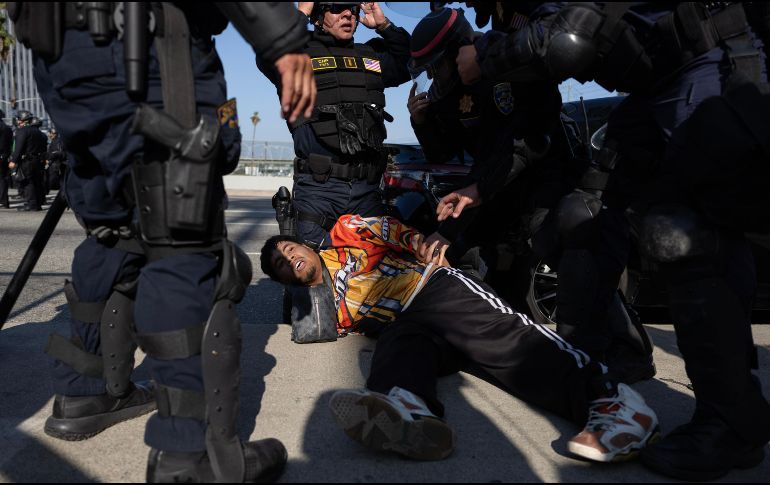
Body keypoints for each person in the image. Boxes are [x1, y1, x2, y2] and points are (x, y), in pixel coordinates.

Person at [441, 2, 770, 480]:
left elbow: (567, 40)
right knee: (585, 216)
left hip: (710, 65)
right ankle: (611, 356)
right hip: (659, 84)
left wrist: (484, 57)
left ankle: (732, 423)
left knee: (687, 235)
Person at [9, 2, 316, 482]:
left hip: (63, 59)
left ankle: (84, 392)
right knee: (186, 245)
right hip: (150, 45)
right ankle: (189, 455)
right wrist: (283, 38)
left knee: (112, 231)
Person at [260, 213, 659, 463]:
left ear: (305, 246)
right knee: (395, 348)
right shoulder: (324, 312)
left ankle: (613, 402)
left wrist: (422, 246)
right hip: (407, 323)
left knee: (506, 343)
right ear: (284, 280)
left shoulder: (344, 233)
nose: (289, 258)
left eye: (289, 248)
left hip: (432, 288)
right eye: (280, 264)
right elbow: (318, 330)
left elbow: (389, 230)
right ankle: (409, 410)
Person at [259, 1, 412, 248]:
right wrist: (302, 13)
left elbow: (411, 59)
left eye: (352, 8)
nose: (347, 14)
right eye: (337, 8)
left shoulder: (370, 57)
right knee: (313, 268)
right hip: (319, 192)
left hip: (367, 190)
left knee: (373, 269)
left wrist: (384, 25)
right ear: (318, 17)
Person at [9, 110, 47, 211]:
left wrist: (14, 160)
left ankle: (31, 204)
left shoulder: (22, 131)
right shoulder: (39, 132)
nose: (17, 121)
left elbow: (19, 147)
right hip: (38, 160)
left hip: (27, 161)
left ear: (21, 120)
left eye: (18, 119)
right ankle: (38, 204)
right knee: (36, 182)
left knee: (27, 182)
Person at [45, 128, 66, 193]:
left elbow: (59, 153)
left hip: (56, 164)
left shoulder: (58, 142)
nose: (50, 135)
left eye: (52, 134)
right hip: (54, 163)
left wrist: (50, 157)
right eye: (50, 133)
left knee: (53, 179)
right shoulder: (53, 141)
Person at [0, 109, 12, 209]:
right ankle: (4, 201)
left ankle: (2, 200)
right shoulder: (7, 128)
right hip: (5, 155)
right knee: (3, 178)